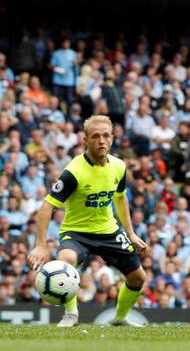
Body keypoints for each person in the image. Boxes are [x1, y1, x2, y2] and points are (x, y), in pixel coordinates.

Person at [26, 115, 148, 327]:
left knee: (138, 278)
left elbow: (120, 198)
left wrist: (131, 233)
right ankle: (71, 315)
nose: (101, 140)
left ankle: (119, 319)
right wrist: (40, 244)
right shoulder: (74, 172)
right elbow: (47, 206)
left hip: (109, 231)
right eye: (95, 136)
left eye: (106, 136)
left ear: (112, 138)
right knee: (65, 259)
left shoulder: (119, 166)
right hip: (77, 232)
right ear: (85, 139)